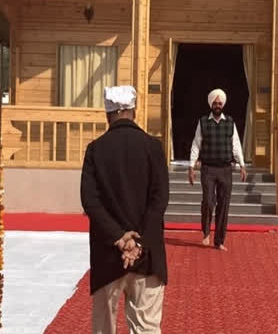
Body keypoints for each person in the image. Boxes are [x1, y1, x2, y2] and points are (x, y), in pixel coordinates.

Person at [80, 85, 169, 334]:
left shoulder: (96, 150)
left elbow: (90, 201)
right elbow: (159, 200)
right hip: (147, 254)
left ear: (107, 113)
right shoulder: (153, 147)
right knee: (147, 327)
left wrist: (120, 239)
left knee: (104, 328)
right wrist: (139, 244)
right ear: (134, 111)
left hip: (108, 254)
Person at [188, 88, 247, 251]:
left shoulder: (230, 122)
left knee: (224, 204)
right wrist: (191, 166)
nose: (218, 105)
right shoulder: (202, 122)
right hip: (208, 168)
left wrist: (242, 164)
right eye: (215, 103)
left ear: (223, 105)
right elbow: (196, 144)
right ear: (210, 104)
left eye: (220, 103)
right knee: (208, 200)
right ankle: (206, 233)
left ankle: (219, 240)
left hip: (226, 170)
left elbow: (236, 145)